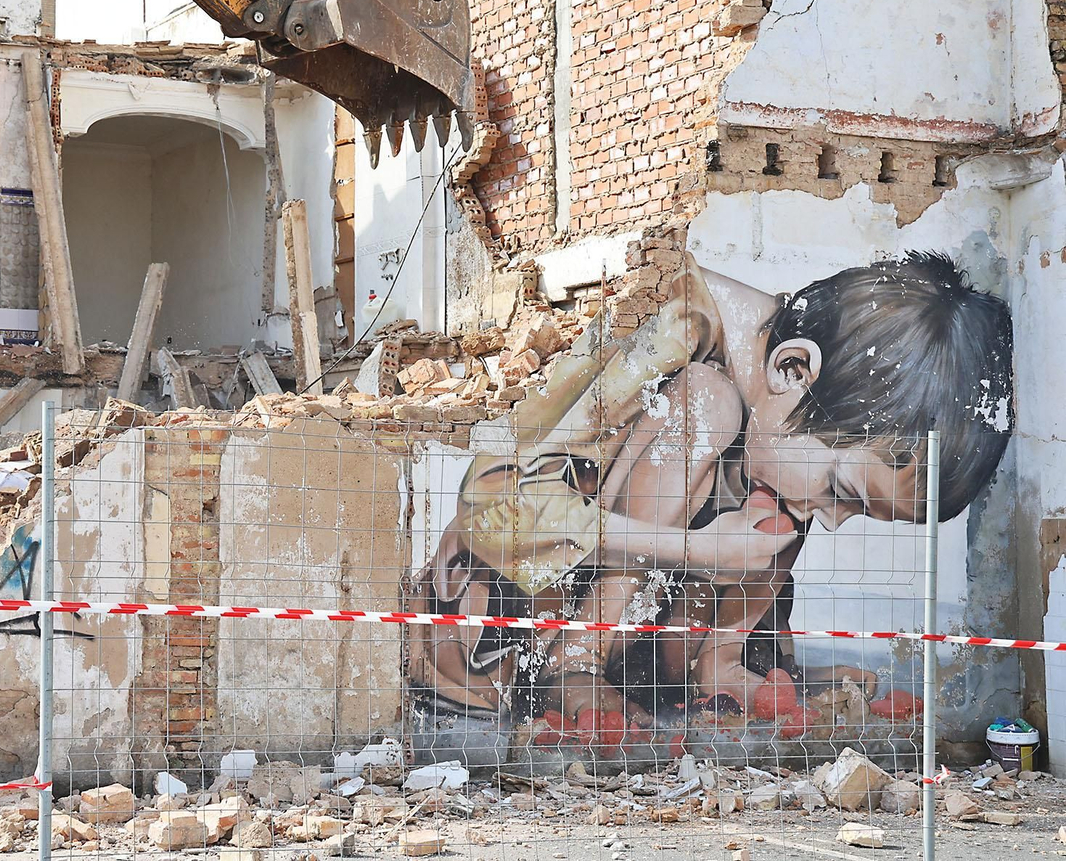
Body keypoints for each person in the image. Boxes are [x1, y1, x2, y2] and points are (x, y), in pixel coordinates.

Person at [408, 251, 1013, 736]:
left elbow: (789, 484)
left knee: (783, 488)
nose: (831, 521)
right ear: (793, 370)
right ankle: (577, 663)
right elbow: (490, 511)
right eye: (843, 491)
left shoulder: (783, 405)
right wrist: (696, 550)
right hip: (504, 618)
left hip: (653, 631)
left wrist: (724, 645)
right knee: (711, 406)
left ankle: (718, 664)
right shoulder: (671, 317)